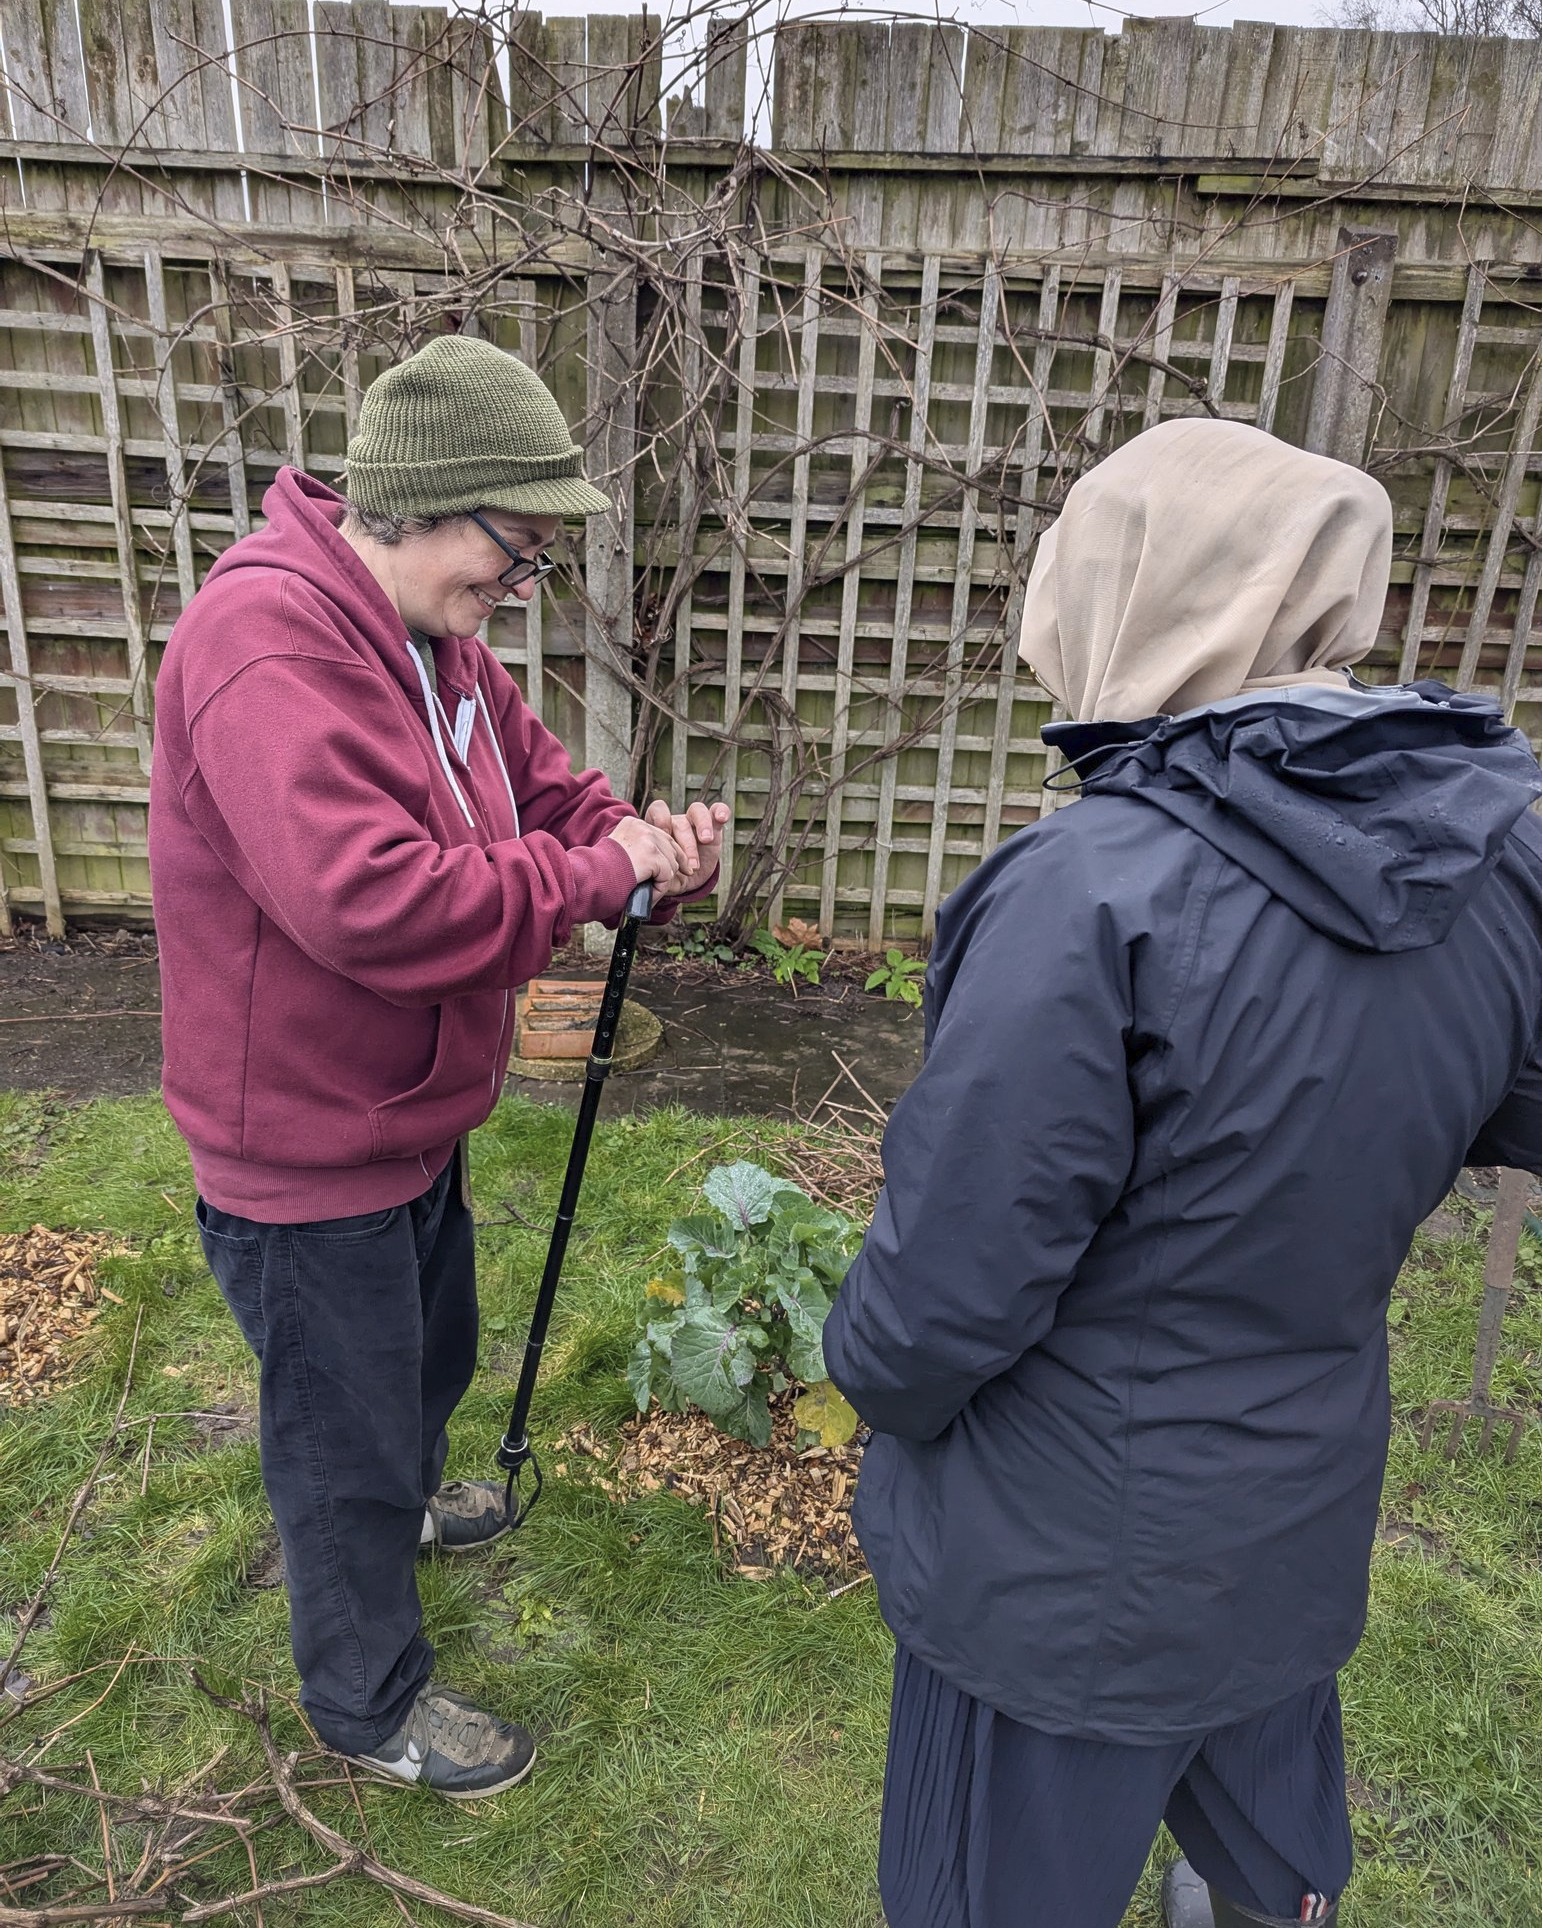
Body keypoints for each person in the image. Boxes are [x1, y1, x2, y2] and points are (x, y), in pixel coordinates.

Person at [822, 418, 1541, 1928]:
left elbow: (944, 1297)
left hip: (1057, 1568)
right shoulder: (1490, 853)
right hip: (1292, 1501)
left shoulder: (1092, 893)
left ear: (1136, 596)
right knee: (1268, 1843)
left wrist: (871, 1380)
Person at [149, 334, 731, 1799]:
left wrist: (641, 849)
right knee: (337, 1439)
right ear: (422, 501)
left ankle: (404, 1504)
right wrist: (591, 878)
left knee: (426, 1359)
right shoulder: (263, 646)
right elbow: (370, 901)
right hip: (300, 1143)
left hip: (403, 1116)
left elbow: (547, 786)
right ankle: (366, 1700)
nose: (514, 588)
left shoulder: (437, 650)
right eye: (511, 550)